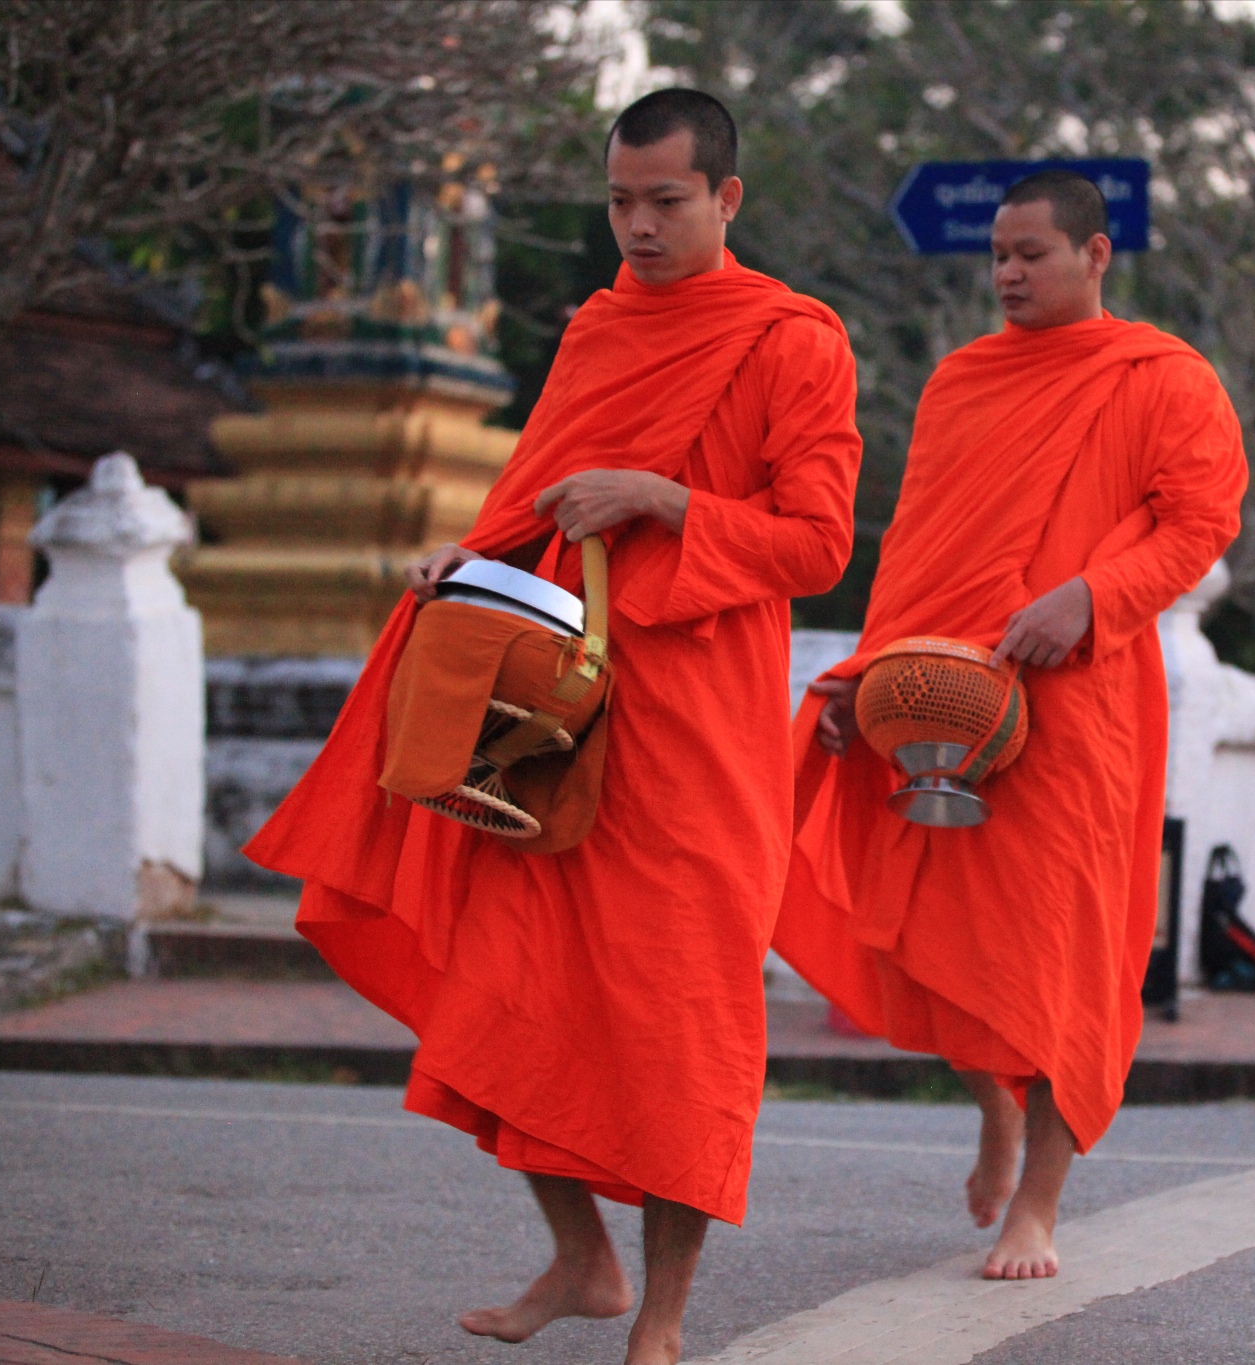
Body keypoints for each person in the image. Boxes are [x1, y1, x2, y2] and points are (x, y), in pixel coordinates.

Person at [243, 90, 863, 1365]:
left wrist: (663, 498)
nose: (635, 227)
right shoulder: (595, 328)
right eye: (619, 202)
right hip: (545, 716)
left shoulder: (792, 339)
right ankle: (580, 1257)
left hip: (696, 729)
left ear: (727, 200)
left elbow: (818, 542)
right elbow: (533, 498)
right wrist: (463, 555)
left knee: (682, 1013)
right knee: (507, 984)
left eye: (665, 203)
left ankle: (664, 1313)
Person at [776, 170, 1246, 1280]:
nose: (1006, 275)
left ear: (1095, 257)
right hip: (942, 694)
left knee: (1064, 950)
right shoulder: (961, 381)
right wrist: (867, 675)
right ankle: (988, 1096)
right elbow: (919, 554)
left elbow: (1199, 523)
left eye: (1031, 254)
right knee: (935, 922)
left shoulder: (1161, 378)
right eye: (996, 255)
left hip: (1082, 708)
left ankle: (1037, 1203)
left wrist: (1091, 597)